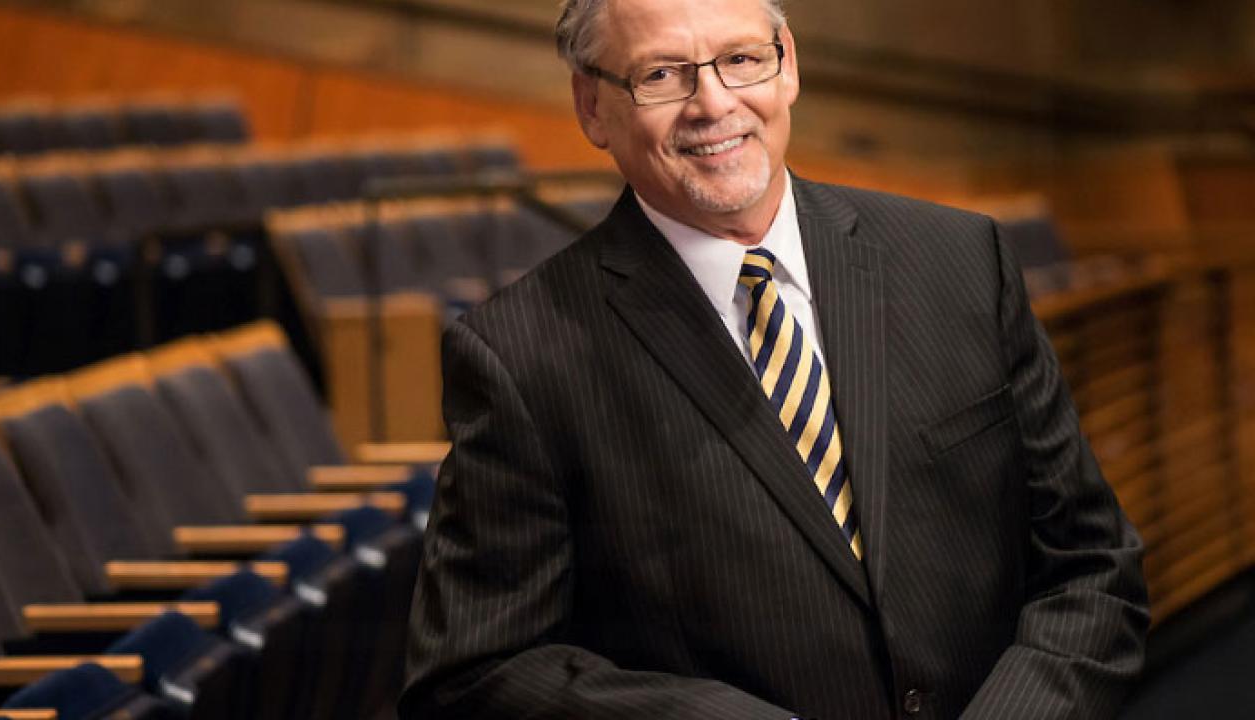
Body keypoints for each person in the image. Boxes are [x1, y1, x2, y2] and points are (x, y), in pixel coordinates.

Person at [397, 0, 1150, 717]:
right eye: (661, 74)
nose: (713, 104)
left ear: (788, 66)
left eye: (741, 59)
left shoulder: (960, 259)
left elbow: (1091, 567)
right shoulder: (521, 355)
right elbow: (475, 670)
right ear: (592, 106)